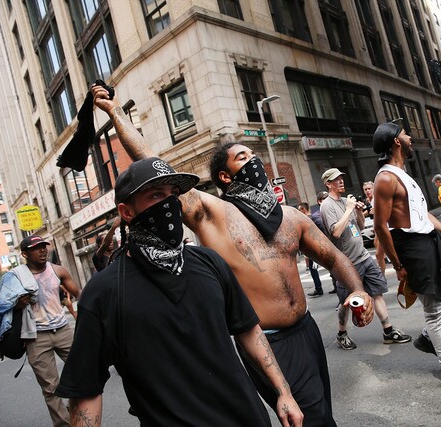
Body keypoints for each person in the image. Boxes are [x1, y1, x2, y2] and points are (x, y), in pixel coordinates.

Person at [90, 84, 374, 426]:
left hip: (307, 330)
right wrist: (114, 112)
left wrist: (357, 289)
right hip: (268, 343)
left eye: (253, 156)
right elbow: (152, 161)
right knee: (314, 421)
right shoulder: (213, 214)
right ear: (225, 176)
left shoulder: (291, 218)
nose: (253, 161)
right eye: (243, 158)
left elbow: (334, 257)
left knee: (320, 414)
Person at [56, 157, 303, 426]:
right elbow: (86, 391)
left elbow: (249, 331)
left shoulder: (209, 262)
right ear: (127, 212)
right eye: (156, 195)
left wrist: (283, 392)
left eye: (174, 194)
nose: (170, 203)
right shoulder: (104, 293)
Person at [371, 122, 441, 395]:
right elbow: (380, 226)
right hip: (411, 248)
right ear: (396, 141)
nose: (409, 137)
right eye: (405, 134)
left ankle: (426, 338)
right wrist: (398, 267)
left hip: (431, 241)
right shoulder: (385, 178)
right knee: (434, 310)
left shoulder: (403, 174)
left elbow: (424, 215)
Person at [0, 235, 81, 426]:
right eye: (36, 248)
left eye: (43, 247)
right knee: (50, 388)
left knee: (83, 373)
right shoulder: (15, 278)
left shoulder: (57, 270)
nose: (42, 251)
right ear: (24, 254)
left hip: (63, 331)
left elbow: (80, 294)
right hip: (36, 337)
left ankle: (78, 412)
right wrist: (16, 306)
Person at [321, 168, 412, 350]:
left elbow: (359, 227)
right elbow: (336, 232)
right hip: (346, 263)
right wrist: (348, 210)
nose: (340, 181)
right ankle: (342, 333)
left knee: (377, 292)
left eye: (341, 178)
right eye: (336, 179)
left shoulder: (346, 201)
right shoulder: (327, 206)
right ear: (328, 184)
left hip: (364, 256)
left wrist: (359, 212)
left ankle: (388, 330)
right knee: (346, 302)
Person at [311, 191, 338, 295]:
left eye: (327, 198)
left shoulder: (333, 211)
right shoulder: (317, 215)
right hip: (328, 246)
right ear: (319, 202)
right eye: (323, 199)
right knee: (335, 272)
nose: (326, 201)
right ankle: (341, 296)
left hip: (339, 244)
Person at [297, 202, 325, 297]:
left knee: (313, 270)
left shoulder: (307, 219)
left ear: (303, 210)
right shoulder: (313, 217)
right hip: (317, 247)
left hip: (314, 248)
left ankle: (318, 288)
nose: (298, 212)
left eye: (299, 209)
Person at [363, 181, 387, 273]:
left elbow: (385, 211)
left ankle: (382, 277)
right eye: (365, 189)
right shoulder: (369, 200)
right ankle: (382, 276)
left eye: (369, 189)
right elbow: (369, 212)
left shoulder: (377, 199)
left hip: (383, 228)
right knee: (378, 251)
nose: (367, 191)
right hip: (378, 229)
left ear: (373, 189)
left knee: (379, 255)